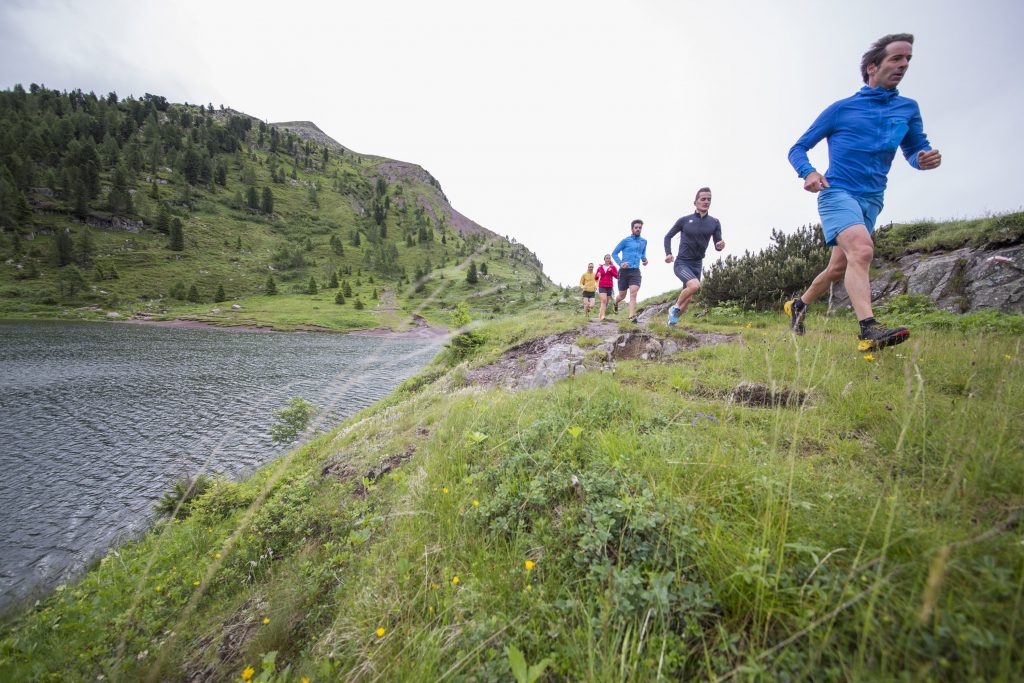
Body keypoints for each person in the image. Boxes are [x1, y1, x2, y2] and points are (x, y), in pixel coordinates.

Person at [785, 33, 941, 351]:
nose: (904, 65)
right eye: (896, 58)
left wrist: (923, 160)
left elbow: (915, 151)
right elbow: (798, 148)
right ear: (872, 67)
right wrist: (809, 172)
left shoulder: (907, 109)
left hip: (872, 199)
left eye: (908, 59)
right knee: (863, 251)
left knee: (838, 267)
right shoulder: (842, 109)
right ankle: (869, 330)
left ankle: (798, 305)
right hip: (837, 191)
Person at [663, 187, 725, 325]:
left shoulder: (714, 222)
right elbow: (668, 236)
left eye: (709, 199)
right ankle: (675, 307)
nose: (706, 201)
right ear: (695, 202)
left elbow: (717, 243)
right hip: (682, 263)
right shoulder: (684, 220)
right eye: (703, 199)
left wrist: (720, 245)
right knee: (695, 285)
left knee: (689, 298)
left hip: (697, 264)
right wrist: (668, 253)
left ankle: (671, 323)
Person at [611, 219, 648, 321]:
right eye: (636, 227)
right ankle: (616, 302)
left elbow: (643, 254)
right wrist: (621, 263)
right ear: (632, 229)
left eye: (640, 228)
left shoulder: (644, 242)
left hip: (635, 271)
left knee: (633, 293)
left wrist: (644, 260)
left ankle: (631, 317)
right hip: (624, 272)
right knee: (622, 296)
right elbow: (614, 253)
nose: (638, 229)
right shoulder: (625, 241)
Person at [595, 254, 618, 321]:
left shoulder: (613, 267)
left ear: (610, 259)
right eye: (606, 258)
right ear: (604, 259)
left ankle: (601, 314)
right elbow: (595, 278)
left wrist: (611, 271)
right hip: (602, 285)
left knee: (606, 302)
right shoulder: (600, 268)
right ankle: (602, 316)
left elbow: (617, 276)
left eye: (609, 258)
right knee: (604, 300)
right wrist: (597, 275)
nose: (608, 259)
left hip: (609, 286)